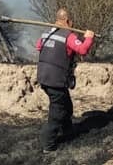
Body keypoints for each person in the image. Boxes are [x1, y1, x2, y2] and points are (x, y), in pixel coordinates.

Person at [36, 8, 94, 153]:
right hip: (55, 79)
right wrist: (89, 37)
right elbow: (82, 50)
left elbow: (38, 46)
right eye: (71, 20)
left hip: (43, 77)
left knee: (66, 105)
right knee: (58, 111)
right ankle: (47, 144)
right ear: (68, 21)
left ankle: (67, 130)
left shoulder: (46, 34)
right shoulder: (68, 35)